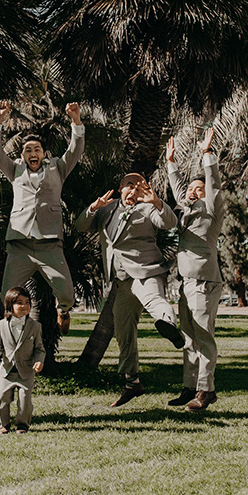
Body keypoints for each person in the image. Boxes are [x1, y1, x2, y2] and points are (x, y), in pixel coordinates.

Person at [76, 174, 183, 406]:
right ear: (120, 188)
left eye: (138, 187)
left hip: (147, 270)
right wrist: (94, 207)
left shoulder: (147, 208)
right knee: (124, 331)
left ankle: (171, 327)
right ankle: (132, 382)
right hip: (121, 279)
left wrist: (156, 202)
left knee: (154, 299)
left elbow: (169, 222)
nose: (133, 191)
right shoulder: (107, 208)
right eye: (129, 186)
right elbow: (80, 225)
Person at [0, 100, 84, 334]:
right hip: (20, 244)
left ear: (44, 154)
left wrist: (76, 121)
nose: (33, 153)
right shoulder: (14, 170)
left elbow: (75, 150)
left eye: (37, 150)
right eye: (28, 150)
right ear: (22, 154)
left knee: (66, 293)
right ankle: (10, 334)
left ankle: (62, 311)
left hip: (50, 243)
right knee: (6, 295)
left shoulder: (57, 169)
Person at [166, 127, 224, 411]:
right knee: (189, 338)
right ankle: (190, 387)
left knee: (203, 336)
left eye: (197, 190)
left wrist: (206, 154)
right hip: (186, 282)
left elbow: (212, 183)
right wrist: (171, 162)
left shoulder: (212, 209)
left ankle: (206, 390)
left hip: (204, 280)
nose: (192, 192)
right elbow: (179, 190)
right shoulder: (187, 211)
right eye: (191, 189)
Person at [0, 286, 45, 434]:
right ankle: (4, 424)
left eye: (27, 302)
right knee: (2, 399)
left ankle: (22, 425)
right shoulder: (0, 325)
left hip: (26, 371)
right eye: (19, 303)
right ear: (9, 306)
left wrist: (39, 361)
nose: (24, 306)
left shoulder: (35, 326)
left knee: (24, 400)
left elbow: (39, 348)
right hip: (6, 371)